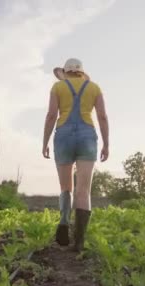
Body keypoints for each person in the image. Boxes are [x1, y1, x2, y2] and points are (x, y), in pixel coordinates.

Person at [42, 58, 109, 251]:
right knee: (83, 190)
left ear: (66, 71)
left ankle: (64, 221)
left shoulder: (58, 87)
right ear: (81, 71)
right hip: (87, 136)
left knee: (66, 187)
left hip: (63, 135)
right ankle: (79, 242)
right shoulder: (94, 88)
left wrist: (45, 142)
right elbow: (103, 117)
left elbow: (51, 116)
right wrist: (106, 144)